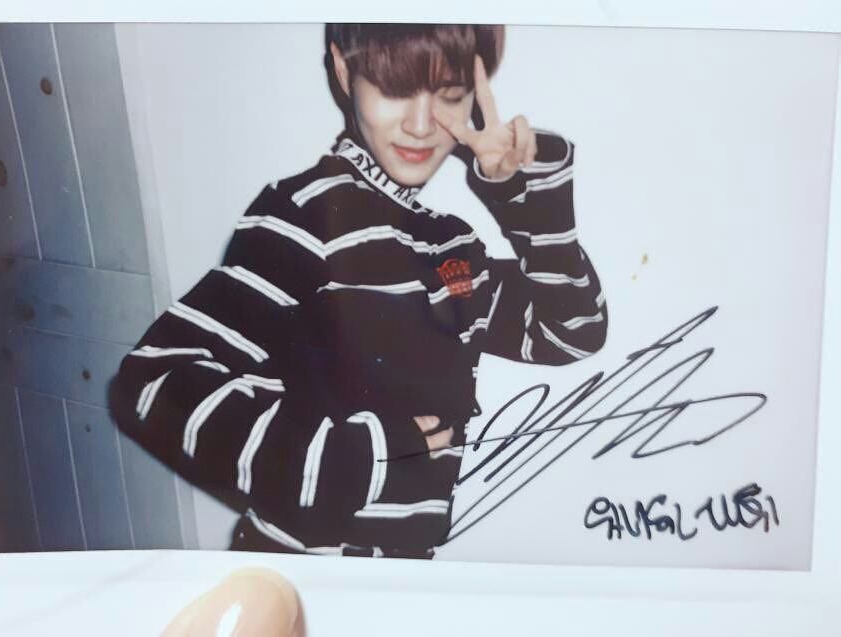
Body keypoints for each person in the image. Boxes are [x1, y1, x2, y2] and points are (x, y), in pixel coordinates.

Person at [110, 23, 608, 559]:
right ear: (346, 71)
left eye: (449, 95)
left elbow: (570, 331)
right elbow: (152, 381)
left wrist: (523, 190)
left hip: (405, 577)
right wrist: (352, 458)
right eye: (396, 88)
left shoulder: (450, 246)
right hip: (306, 573)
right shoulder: (305, 216)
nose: (421, 125)